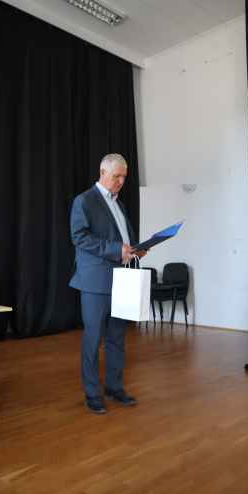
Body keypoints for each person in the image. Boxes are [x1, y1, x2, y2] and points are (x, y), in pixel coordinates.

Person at [70, 153, 146, 414]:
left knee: (116, 338)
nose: (121, 181)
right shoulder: (84, 201)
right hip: (96, 282)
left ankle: (114, 388)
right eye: (117, 176)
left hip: (121, 279)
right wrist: (116, 249)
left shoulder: (118, 204)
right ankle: (92, 394)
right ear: (102, 172)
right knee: (93, 340)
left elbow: (122, 238)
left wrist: (135, 249)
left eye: (124, 177)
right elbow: (79, 237)